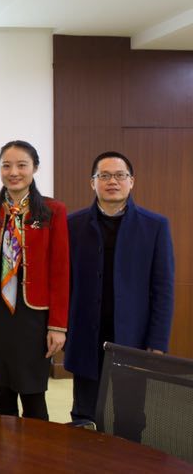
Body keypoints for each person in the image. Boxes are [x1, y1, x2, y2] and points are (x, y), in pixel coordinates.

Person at [64, 151, 174, 431]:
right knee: (84, 416)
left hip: (132, 339)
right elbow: (65, 283)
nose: (112, 181)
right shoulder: (72, 225)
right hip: (86, 336)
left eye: (119, 175)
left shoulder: (154, 226)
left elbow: (163, 289)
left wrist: (158, 342)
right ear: (93, 183)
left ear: (131, 181)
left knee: (130, 416)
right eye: (104, 175)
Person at [0, 140, 69, 420]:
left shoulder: (53, 210)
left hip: (33, 316)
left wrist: (58, 325)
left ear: (35, 168)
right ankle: (2, 459)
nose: (14, 172)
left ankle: (36, 461)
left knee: (34, 395)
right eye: (6, 165)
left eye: (22, 165)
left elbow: (60, 270)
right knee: (1, 393)